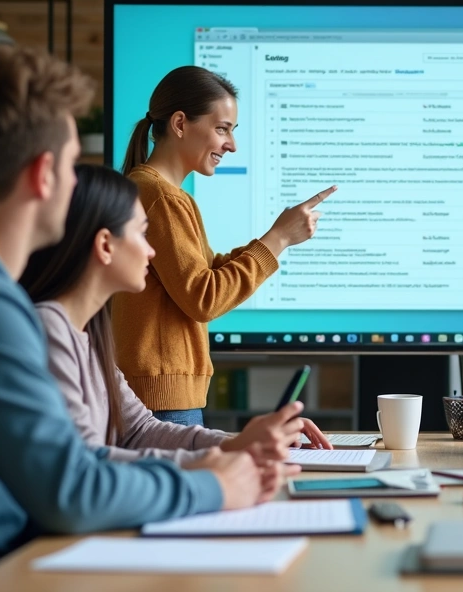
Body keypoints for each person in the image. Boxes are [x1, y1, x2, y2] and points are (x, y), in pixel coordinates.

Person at [0, 47, 289, 585]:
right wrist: (216, 487)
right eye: (74, 162)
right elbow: (71, 491)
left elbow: (98, 453)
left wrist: (223, 456)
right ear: (44, 175)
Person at [19, 164, 331, 464]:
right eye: (142, 234)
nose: (152, 251)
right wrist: (212, 473)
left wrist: (238, 443)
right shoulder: (50, 332)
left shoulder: (89, 337)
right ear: (105, 245)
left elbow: (140, 430)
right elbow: (86, 466)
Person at [114, 66, 335, 425]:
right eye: (222, 129)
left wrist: (278, 235)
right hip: (162, 405)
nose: (230, 145)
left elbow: (204, 270)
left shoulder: (157, 191)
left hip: (162, 398)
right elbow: (204, 296)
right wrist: (276, 240)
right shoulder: (159, 195)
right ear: (181, 123)